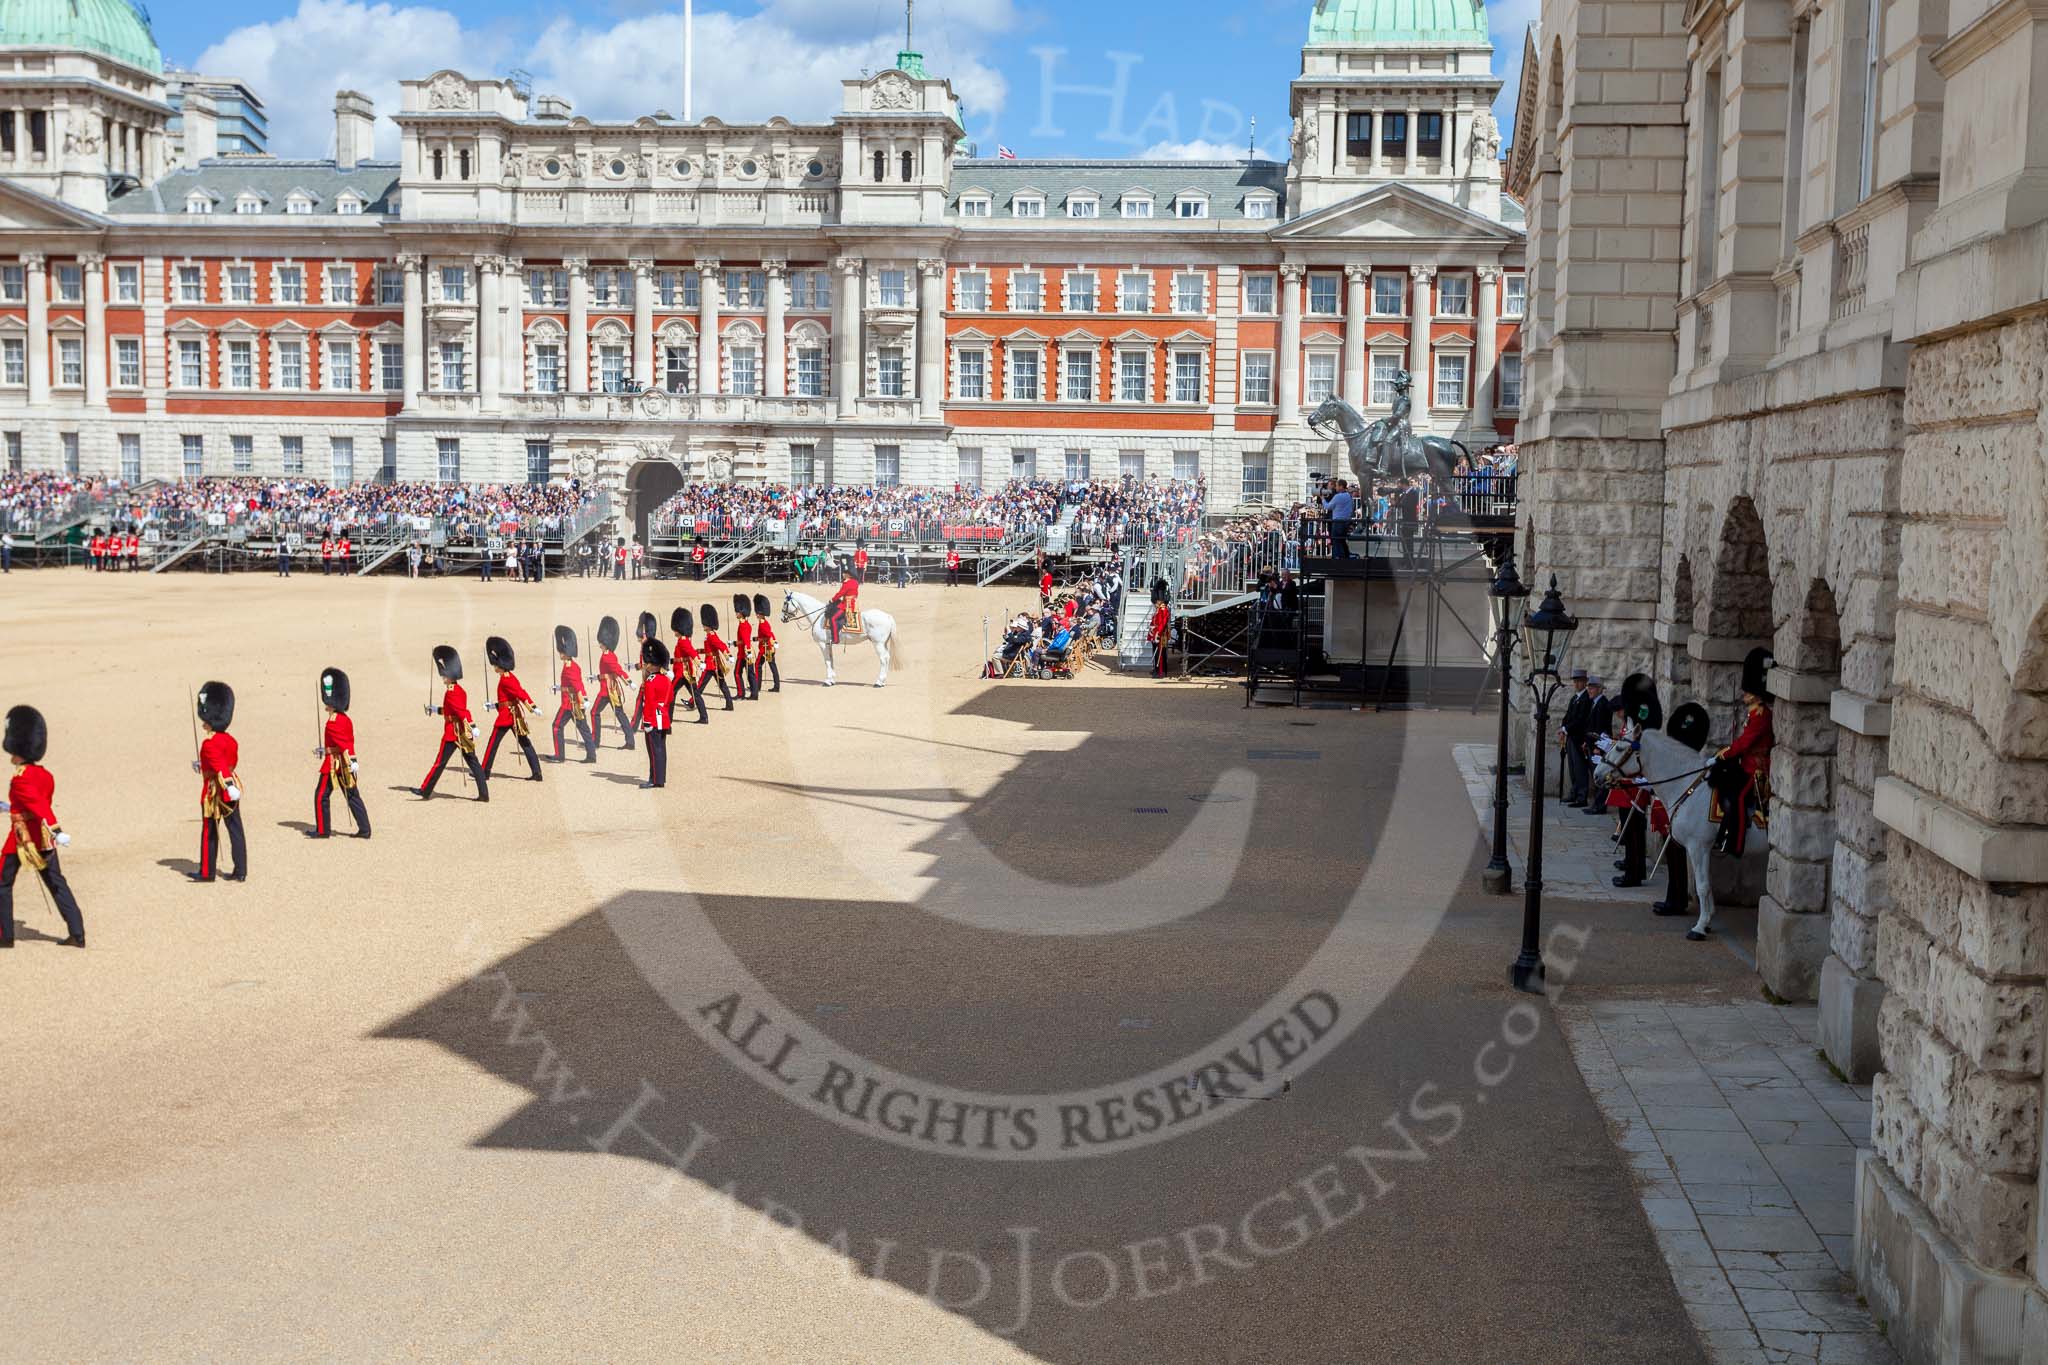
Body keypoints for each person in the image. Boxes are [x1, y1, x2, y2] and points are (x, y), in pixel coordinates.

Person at [0, 705, 84, 948]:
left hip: (22, 838)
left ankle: (5, 935)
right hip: (43, 838)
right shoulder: (44, 775)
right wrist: (9, 806)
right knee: (57, 883)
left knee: (3, 884)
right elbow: (31, 802)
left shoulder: (20, 778)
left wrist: (57, 830)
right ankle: (77, 932)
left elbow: (38, 806)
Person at [1711, 648, 1775, 857]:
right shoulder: (1753, 711)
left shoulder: (1762, 714)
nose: (1744, 694)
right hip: (1745, 764)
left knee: (1737, 797)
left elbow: (1746, 742)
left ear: (1756, 693)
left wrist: (1725, 753)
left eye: (1747, 691)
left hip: (1756, 769)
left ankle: (1734, 843)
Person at [418, 645, 488, 802]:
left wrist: (473, 725)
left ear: (449, 675)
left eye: (444, 675)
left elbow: (462, 712)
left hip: (453, 733)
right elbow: (452, 711)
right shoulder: (459, 690)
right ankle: (484, 794)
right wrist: (435, 709)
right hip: (463, 732)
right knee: (474, 763)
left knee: (439, 763)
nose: (443, 677)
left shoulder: (450, 692)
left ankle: (425, 790)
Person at [192, 681, 247, 883]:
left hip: (217, 790)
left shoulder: (209, 743)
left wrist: (227, 785)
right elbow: (229, 763)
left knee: (209, 830)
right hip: (231, 786)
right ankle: (241, 870)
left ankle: (207, 871)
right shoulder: (231, 740)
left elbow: (220, 767)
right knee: (235, 830)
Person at [311, 666, 370, 839]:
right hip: (342, 761)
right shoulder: (344, 718)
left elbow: (344, 744)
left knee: (321, 795)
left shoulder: (333, 722)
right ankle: (365, 829)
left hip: (333, 763)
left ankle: (323, 830)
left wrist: (351, 760)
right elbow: (344, 743)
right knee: (352, 795)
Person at [481, 636, 543, 782]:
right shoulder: (508, 677)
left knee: (492, 744)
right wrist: (494, 705)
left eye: (495, 665)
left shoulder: (506, 679)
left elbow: (520, 693)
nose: (494, 667)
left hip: (507, 717)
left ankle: (484, 771)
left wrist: (533, 707)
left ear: (500, 665)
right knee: (525, 743)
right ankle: (537, 772)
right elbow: (507, 700)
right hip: (512, 714)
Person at [548, 624, 597, 764]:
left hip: (569, 704)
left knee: (556, 726)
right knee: (584, 729)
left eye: (561, 651)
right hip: (573, 702)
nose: (560, 653)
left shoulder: (569, 668)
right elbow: (573, 684)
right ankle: (592, 756)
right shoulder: (573, 665)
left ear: (565, 652)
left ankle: (559, 755)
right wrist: (559, 687)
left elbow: (576, 686)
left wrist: (583, 700)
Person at [590, 615, 633, 750]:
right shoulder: (609, 654)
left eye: (601, 642)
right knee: (620, 714)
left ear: (606, 642)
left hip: (607, 690)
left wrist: (629, 681)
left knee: (594, 712)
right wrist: (596, 677)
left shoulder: (608, 657)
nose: (600, 644)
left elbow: (618, 671)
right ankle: (630, 741)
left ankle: (595, 741)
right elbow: (608, 673)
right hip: (612, 689)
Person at [637, 637, 673, 789]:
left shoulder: (651, 681)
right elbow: (670, 698)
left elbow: (649, 704)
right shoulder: (666, 679)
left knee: (653, 751)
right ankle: (660, 778)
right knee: (661, 750)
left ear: (652, 664)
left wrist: (647, 722)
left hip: (653, 719)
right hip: (663, 717)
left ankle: (654, 779)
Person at [1559, 669, 1592, 807]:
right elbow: (1568, 716)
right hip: (1570, 737)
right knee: (1572, 767)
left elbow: (1580, 720)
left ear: (1585, 682)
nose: (1577, 684)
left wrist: (1567, 728)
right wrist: (1563, 727)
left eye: (1580, 681)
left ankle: (1582, 796)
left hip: (1579, 738)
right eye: (1575, 681)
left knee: (1580, 768)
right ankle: (1574, 792)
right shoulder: (1575, 698)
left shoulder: (1586, 699)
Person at [1582, 677, 1614, 817]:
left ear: (1600, 689)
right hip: (1592, 744)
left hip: (1599, 746)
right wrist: (1586, 742)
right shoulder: (1595, 703)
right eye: (1588, 687)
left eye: (1592, 687)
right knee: (1596, 776)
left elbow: (1602, 727)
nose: (1589, 690)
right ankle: (1596, 804)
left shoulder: (1602, 704)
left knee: (1600, 776)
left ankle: (1600, 805)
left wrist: (1598, 747)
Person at [670, 607, 707, 725]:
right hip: (686, 672)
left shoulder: (683, 641)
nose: (674, 631)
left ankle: (667, 722)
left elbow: (692, 653)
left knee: (670, 694)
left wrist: (700, 663)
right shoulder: (683, 640)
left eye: (675, 629)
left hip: (681, 673)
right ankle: (704, 717)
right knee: (696, 694)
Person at [699, 602, 735, 711]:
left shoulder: (711, 636)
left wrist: (728, 655)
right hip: (715, 663)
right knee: (722, 685)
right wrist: (697, 651)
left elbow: (721, 645)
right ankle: (729, 705)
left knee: (700, 685)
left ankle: (692, 702)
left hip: (711, 664)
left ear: (708, 625)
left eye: (704, 624)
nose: (703, 625)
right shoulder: (709, 635)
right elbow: (709, 649)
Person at [752, 593, 780, 694]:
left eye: (757, 613)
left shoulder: (763, 624)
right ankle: (776, 686)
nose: (756, 615)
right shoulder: (764, 622)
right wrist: (756, 639)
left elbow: (768, 636)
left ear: (760, 614)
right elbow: (766, 635)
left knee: (758, 665)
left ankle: (757, 686)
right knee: (772, 666)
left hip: (765, 649)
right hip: (766, 648)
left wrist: (772, 645)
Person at [1323, 479, 1356, 560]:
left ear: (1341, 486)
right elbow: (1352, 508)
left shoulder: (1338, 496)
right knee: (1342, 540)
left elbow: (1328, 507)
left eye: (1337, 486)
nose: (1336, 487)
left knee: (1336, 541)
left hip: (1338, 522)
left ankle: (1338, 559)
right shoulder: (1348, 496)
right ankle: (1345, 557)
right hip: (1346, 522)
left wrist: (1322, 499)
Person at [731, 594, 755, 701]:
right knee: (750, 674)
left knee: (737, 673)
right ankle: (754, 694)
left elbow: (745, 641)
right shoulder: (746, 624)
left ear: (741, 613)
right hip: (747, 652)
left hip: (743, 654)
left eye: (737, 612)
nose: (736, 613)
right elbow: (743, 641)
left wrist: (748, 651)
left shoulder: (743, 625)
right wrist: (734, 643)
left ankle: (741, 694)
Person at [825, 570, 859, 644]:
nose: (843, 574)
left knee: (833, 618)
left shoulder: (847, 583)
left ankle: (835, 639)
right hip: (852, 603)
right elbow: (856, 594)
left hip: (846, 605)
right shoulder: (855, 582)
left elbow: (841, 593)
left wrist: (833, 599)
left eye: (844, 573)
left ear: (848, 575)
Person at [1147, 581, 1172, 679]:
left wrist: (1157, 633)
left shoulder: (1163, 609)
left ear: (1159, 600)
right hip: (1156, 634)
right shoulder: (1158, 609)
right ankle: (1156, 669)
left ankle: (1160, 671)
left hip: (1161, 634)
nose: (1155, 603)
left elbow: (1162, 623)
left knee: (1160, 654)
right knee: (1156, 652)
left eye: (1156, 602)